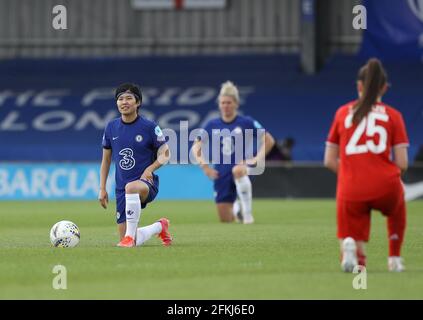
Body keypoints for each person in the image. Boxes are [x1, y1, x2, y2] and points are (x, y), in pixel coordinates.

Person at [324, 58, 409, 272]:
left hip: (352, 186)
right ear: (384, 87)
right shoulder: (394, 115)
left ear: (359, 86)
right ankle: (394, 258)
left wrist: (350, 174)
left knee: (351, 231)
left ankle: (352, 251)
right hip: (385, 184)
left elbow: (328, 160)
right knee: (398, 207)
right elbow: (402, 163)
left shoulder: (342, 113)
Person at [98, 83, 172, 248]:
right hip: (121, 188)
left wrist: (150, 169)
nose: (124, 102)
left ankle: (129, 237)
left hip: (146, 184)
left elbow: (165, 153)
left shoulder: (149, 127)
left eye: (129, 98)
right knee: (129, 239)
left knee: (131, 188)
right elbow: (106, 160)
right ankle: (160, 226)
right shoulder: (111, 127)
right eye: (120, 99)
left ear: (137, 102)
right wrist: (102, 188)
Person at [192, 81, 275, 224]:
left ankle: (248, 216)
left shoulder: (246, 122)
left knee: (237, 170)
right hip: (221, 172)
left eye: (229, 103)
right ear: (219, 104)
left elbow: (269, 140)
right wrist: (205, 167)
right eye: (223, 103)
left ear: (236, 103)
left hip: (243, 167)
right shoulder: (212, 124)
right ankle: (236, 210)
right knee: (225, 219)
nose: (225, 106)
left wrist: (256, 159)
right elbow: (196, 146)